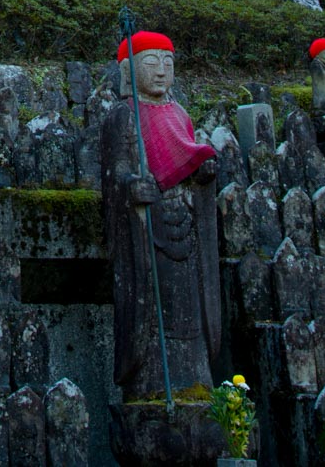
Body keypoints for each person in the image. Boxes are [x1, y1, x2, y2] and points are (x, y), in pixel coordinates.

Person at [100, 30, 220, 400]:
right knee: (153, 311)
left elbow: (187, 155)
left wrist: (202, 175)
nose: (160, 72)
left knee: (189, 310)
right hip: (147, 232)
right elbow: (115, 172)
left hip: (183, 224)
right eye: (150, 63)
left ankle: (197, 381)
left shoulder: (180, 114)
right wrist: (130, 186)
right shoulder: (123, 115)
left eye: (168, 64)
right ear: (128, 69)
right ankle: (152, 385)